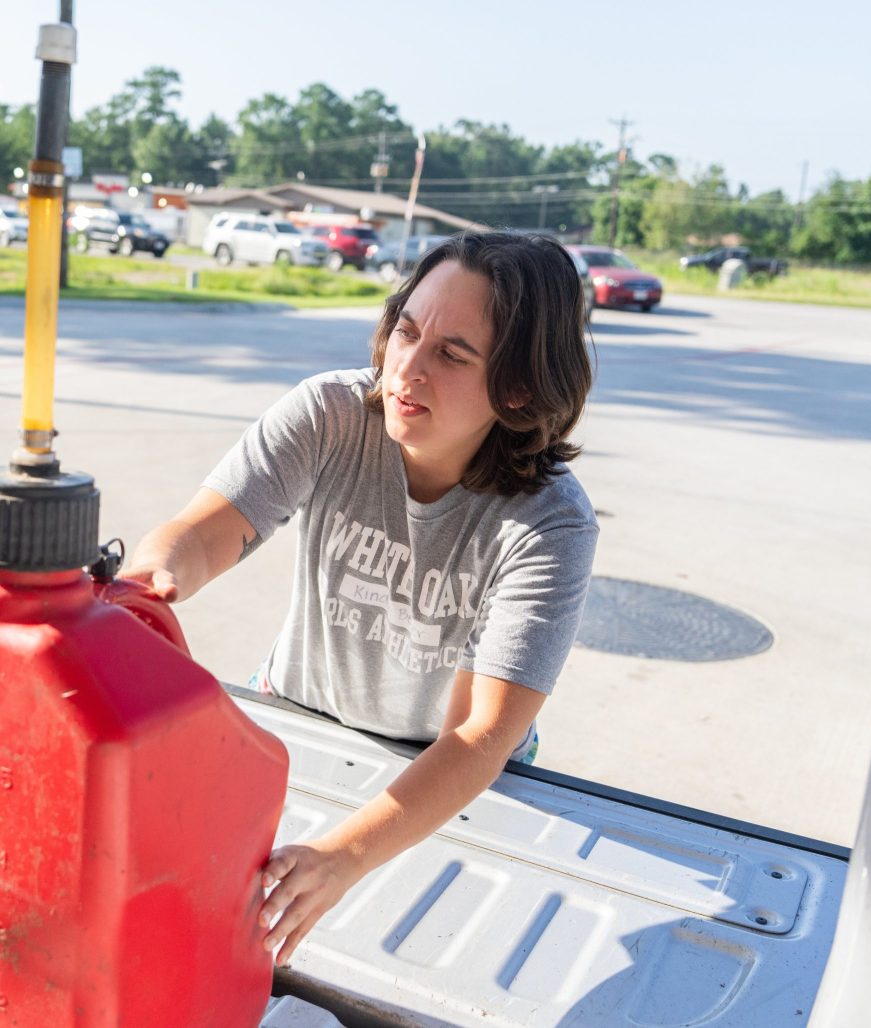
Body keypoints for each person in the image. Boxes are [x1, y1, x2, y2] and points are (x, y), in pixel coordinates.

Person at [121, 230, 599, 965]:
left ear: (520, 388)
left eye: (452, 354)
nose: (406, 368)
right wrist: (145, 587)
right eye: (407, 330)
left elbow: (480, 735)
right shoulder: (330, 413)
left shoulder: (552, 522)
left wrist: (343, 857)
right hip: (299, 714)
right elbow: (202, 530)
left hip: (452, 773)